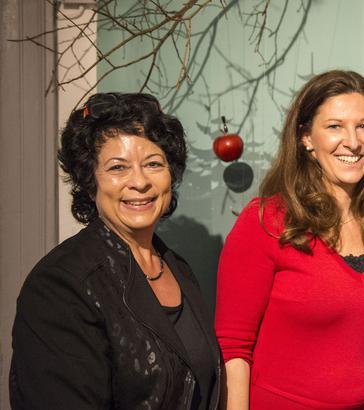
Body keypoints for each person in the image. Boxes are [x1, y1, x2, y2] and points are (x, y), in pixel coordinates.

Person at [214, 70, 364, 409]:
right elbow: (234, 346)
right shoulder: (268, 220)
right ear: (306, 137)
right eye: (335, 126)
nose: (353, 141)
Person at [10, 93, 221, 409]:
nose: (139, 182)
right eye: (118, 167)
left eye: (153, 164)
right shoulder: (61, 286)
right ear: (90, 180)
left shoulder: (177, 268)